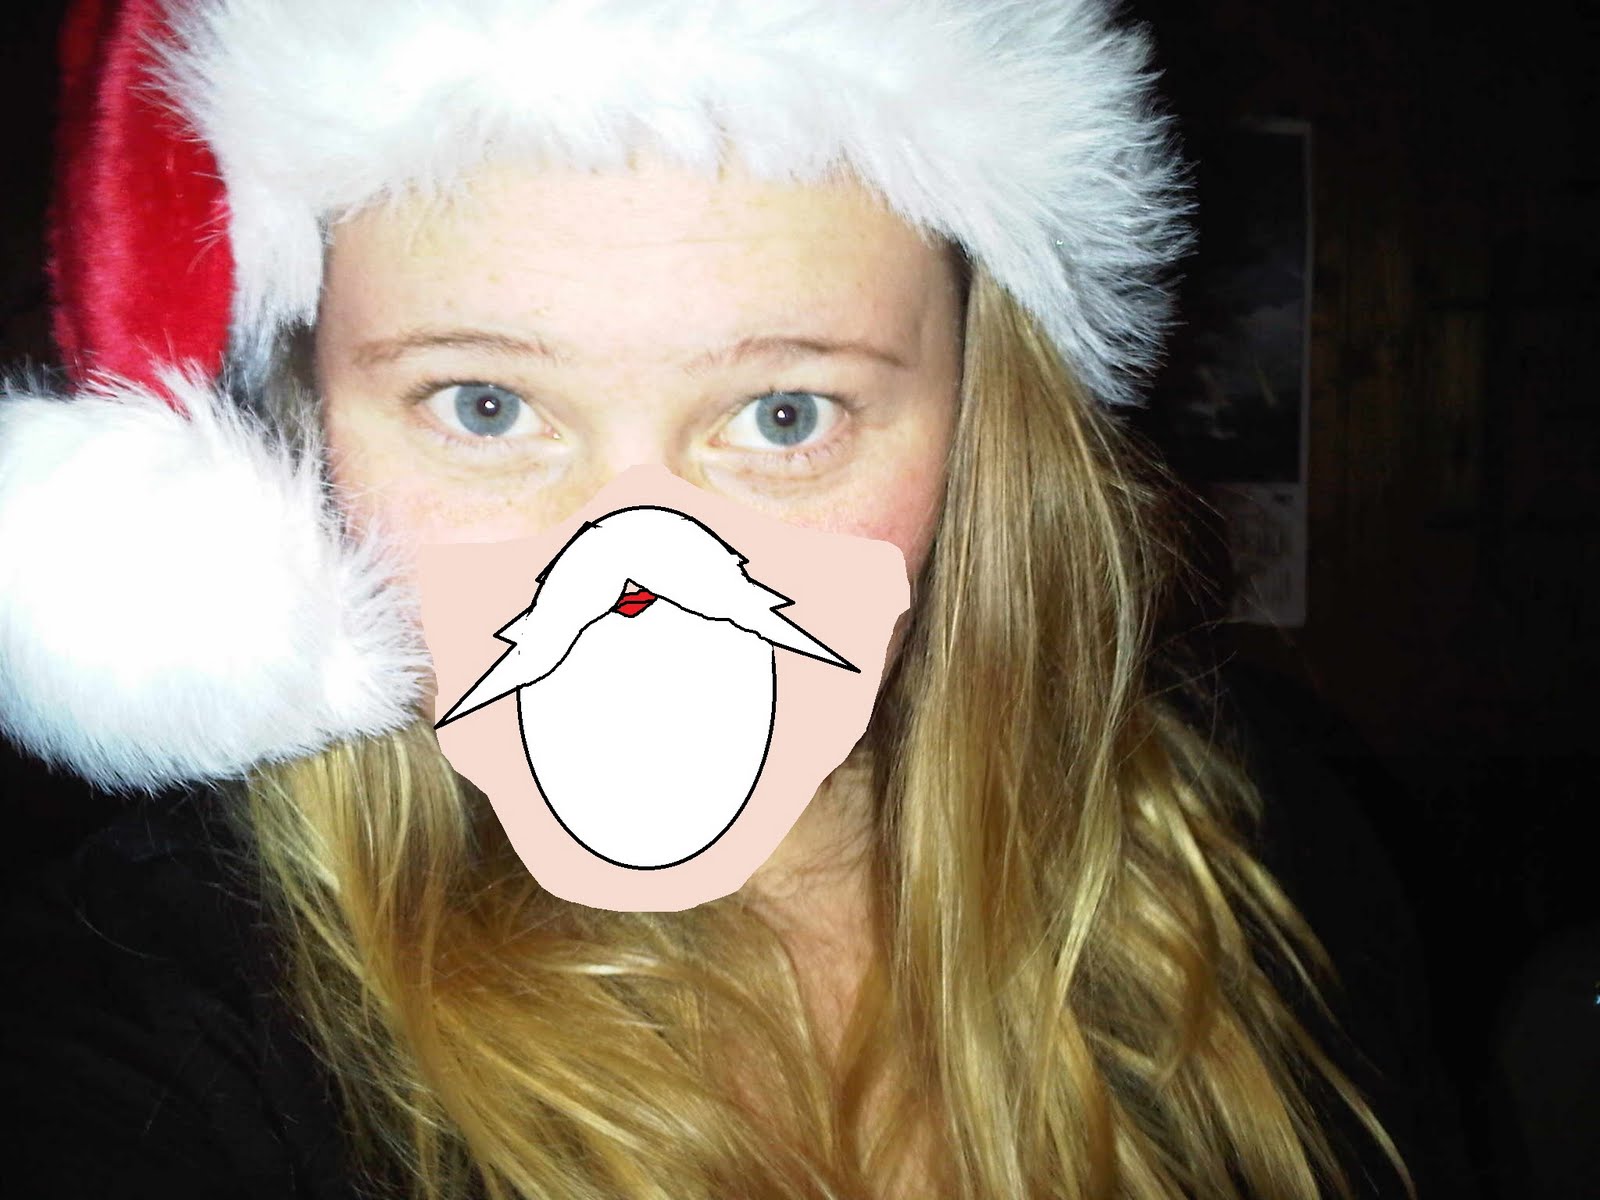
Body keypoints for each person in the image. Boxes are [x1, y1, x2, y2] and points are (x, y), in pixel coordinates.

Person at [0, 1, 1434, 1197]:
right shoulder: (152, 1010)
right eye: (486, 405)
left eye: (783, 415)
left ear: (978, 428)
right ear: (298, 431)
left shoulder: (1274, 856)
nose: (632, 564)